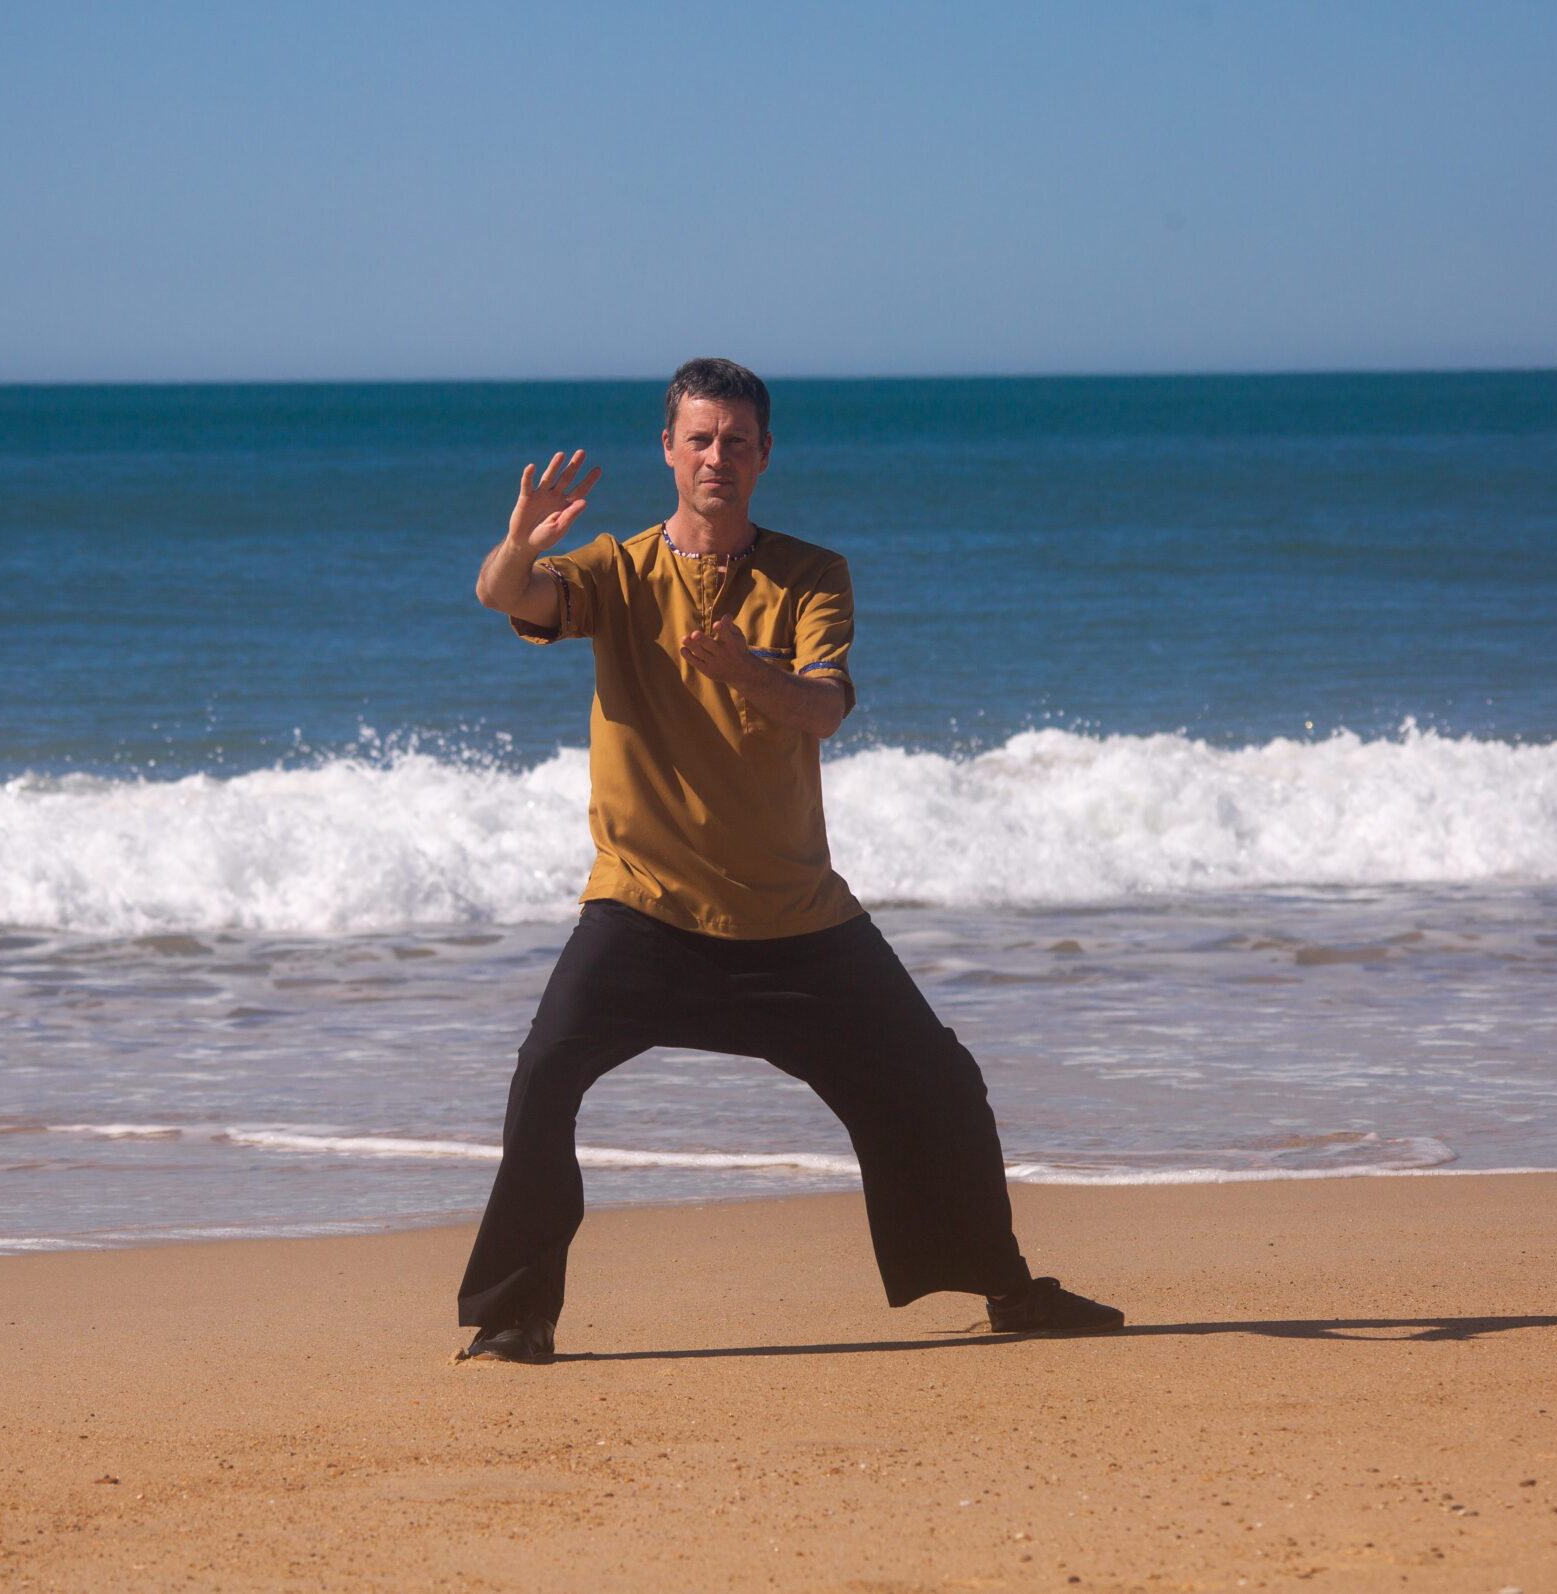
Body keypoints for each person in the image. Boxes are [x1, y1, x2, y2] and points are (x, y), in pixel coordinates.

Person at [456, 357, 1123, 1364]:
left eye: (735, 439)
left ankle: (1005, 1288)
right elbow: (508, 595)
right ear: (669, 449)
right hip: (643, 904)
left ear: (764, 454)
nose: (716, 455)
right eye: (698, 437)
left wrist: (742, 672)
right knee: (546, 1072)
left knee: (937, 1082)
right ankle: (517, 1313)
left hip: (794, 918)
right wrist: (517, 542)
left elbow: (823, 707)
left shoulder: (811, 574)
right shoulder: (618, 570)